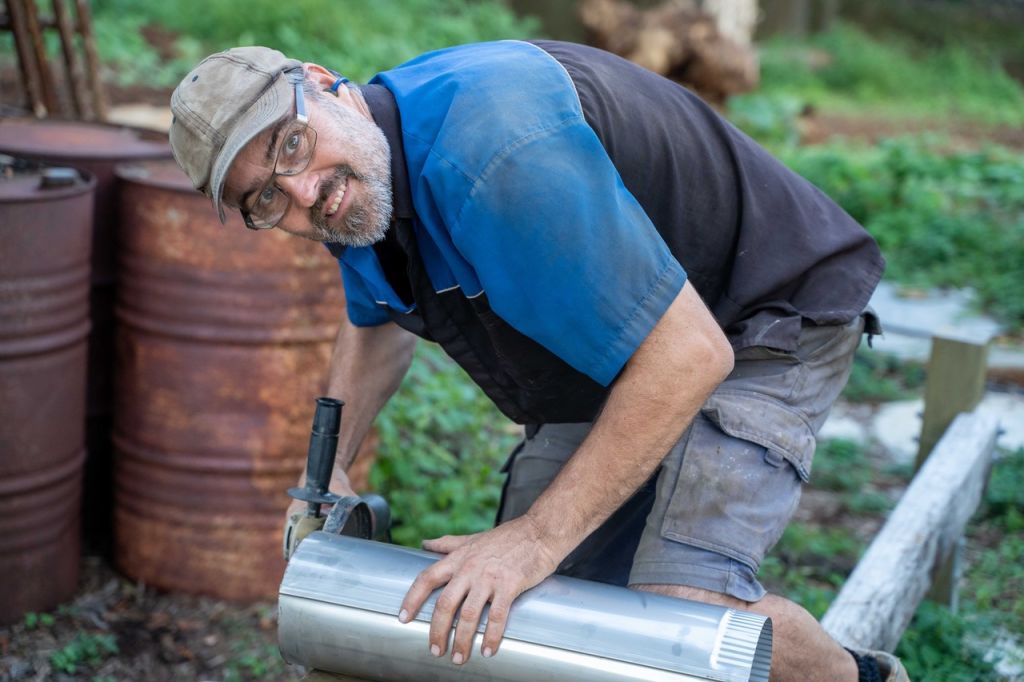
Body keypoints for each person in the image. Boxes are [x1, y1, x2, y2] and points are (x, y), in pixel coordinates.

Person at [168, 40, 906, 682]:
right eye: (264, 198)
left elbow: (689, 354)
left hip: (756, 316)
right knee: (528, 625)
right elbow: (377, 322)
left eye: (290, 147)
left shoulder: (492, 154)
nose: (301, 192)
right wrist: (324, 472)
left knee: (683, 619)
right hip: (627, 346)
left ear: (326, 84)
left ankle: (862, 676)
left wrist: (535, 539)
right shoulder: (353, 180)